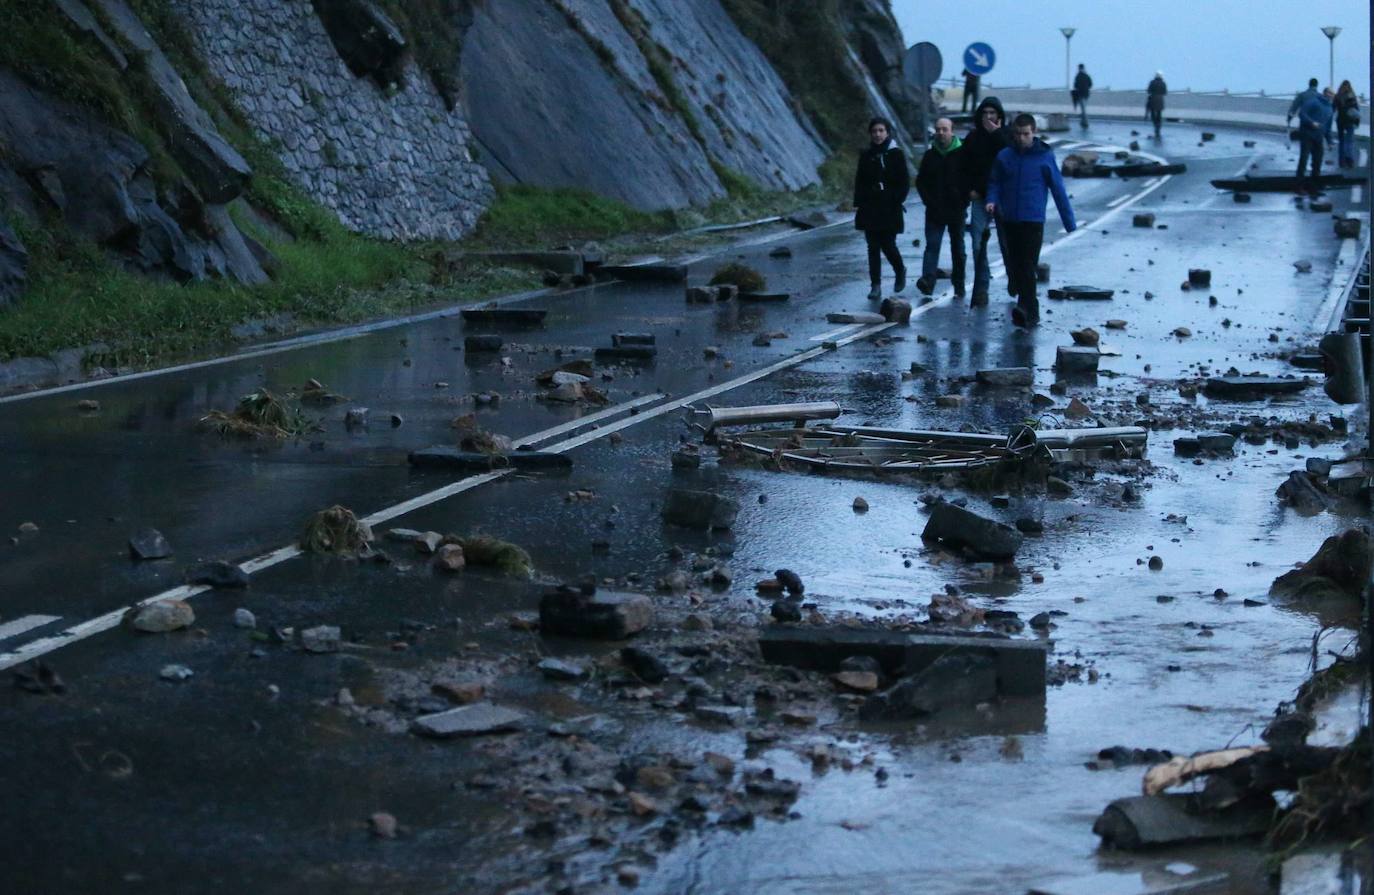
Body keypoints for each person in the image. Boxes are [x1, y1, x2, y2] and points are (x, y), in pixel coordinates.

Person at [985, 114, 1076, 327]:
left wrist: (1069, 222)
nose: (1021, 138)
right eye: (1018, 134)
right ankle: (1027, 309)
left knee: (1027, 264)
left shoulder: (1044, 156)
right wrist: (991, 200)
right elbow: (994, 182)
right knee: (1016, 264)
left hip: (1033, 219)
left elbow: (1058, 189)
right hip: (1009, 219)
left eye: (1026, 134)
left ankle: (1027, 309)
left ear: (1034, 132)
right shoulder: (1005, 156)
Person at [853, 116, 909, 299]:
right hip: (870, 207)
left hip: (889, 207)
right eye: (874, 131)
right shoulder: (866, 155)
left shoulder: (896, 154)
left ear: (887, 133)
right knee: (873, 247)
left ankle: (899, 269)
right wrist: (860, 202)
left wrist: (895, 199)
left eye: (881, 131)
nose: (877, 134)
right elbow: (860, 181)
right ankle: (875, 285)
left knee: (888, 244)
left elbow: (904, 182)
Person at [962, 96, 1010, 306]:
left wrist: (996, 134)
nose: (989, 117)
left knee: (1007, 244)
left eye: (992, 113)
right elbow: (963, 166)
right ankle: (982, 286)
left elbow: (1009, 158)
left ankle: (1015, 280)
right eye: (985, 113)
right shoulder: (973, 138)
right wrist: (969, 189)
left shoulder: (1007, 135)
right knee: (977, 243)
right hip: (980, 197)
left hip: (1003, 198)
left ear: (999, 115)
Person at [915, 117, 968, 297]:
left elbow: (969, 179)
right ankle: (928, 281)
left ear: (952, 131)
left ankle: (959, 283)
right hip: (934, 209)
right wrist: (928, 201)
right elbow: (921, 182)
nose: (941, 133)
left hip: (956, 209)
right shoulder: (930, 155)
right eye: (938, 129)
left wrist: (963, 200)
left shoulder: (962, 154)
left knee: (958, 248)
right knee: (932, 245)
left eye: (945, 129)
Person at [1294, 86, 1334, 195]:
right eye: (1330, 93)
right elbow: (1302, 114)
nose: (1331, 96)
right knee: (1304, 160)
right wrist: (1311, 122)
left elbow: (1328, 127)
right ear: (1325, 93)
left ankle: (1313, 187)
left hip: (1319, 137)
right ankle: (1299, 186)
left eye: (1333, 94)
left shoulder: (1330, 108)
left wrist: (1329, 141)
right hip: (1307, 134)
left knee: (1317, 161)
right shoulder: (1313, 102)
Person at [1335, 80, 1360, 168]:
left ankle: (1341, 162)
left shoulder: (1338, 96)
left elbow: (1332, 108)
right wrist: (1357, 122)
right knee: (1349, 141)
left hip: (1340, 121)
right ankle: (1349, 160)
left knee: (1341, 141)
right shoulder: (1351, 95)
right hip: (1350, 121)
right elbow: (1356, 110)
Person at [1146, 71, 1167, 138]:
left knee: (1153, 114)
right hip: (1160, 100)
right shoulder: (1163, 83)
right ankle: (1158, 128)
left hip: (1153, 99)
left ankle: (1155, 125)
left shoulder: (1152, 82)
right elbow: (1165, 92)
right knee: (1159, 114)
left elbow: (1148, 91)